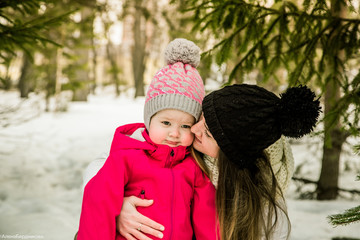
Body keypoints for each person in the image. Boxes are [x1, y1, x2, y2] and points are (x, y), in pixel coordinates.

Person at [114, 84, 321, 240]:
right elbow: (108, 162)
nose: (194, 129)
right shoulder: (184, 143)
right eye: (202, 118)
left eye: (209, 134)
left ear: (230, 156)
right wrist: (118, 205)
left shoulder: (267, 211)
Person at [76, 38, 217, 240]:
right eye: (166, 123)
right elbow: (98, 204)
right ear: (149, 121)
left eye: (185, 126)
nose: (175, 133)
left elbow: (208, 219)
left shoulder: (194, 167)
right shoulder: (126, 158)